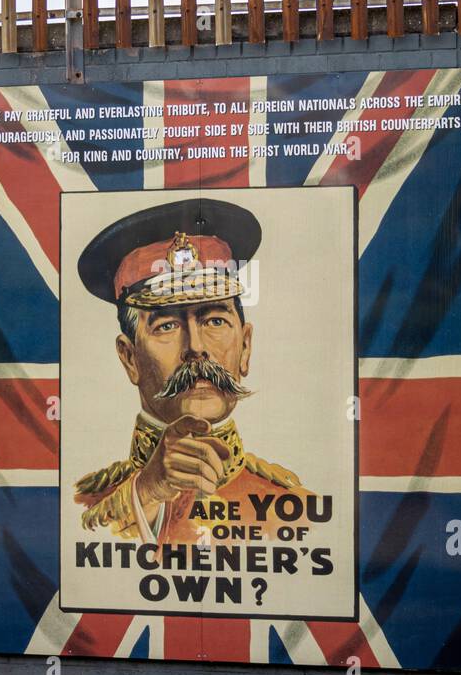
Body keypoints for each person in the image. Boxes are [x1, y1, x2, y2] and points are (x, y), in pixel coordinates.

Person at [71, 199, 309, 546]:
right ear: (129, 358)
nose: (196, 346)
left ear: (246, 348)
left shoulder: (295, 508)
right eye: (166, 325)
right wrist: (148, 493)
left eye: (215, 320)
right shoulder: (83, 509)